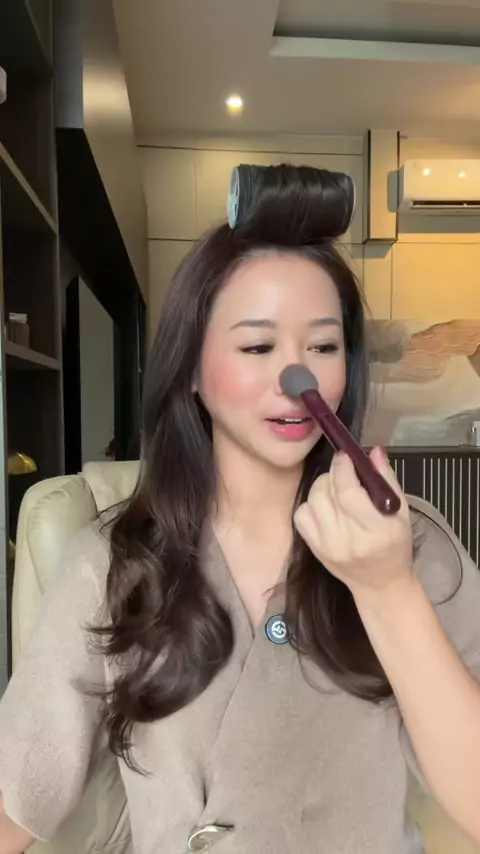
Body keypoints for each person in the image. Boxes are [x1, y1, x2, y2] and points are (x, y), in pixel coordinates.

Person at [0, 165, 480, 854]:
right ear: (192, 370)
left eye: (323, 347)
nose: (298, 377)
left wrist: (388, 588)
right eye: (258, 346)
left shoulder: (413, 545)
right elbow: (19, 790)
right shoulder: (112, 562)